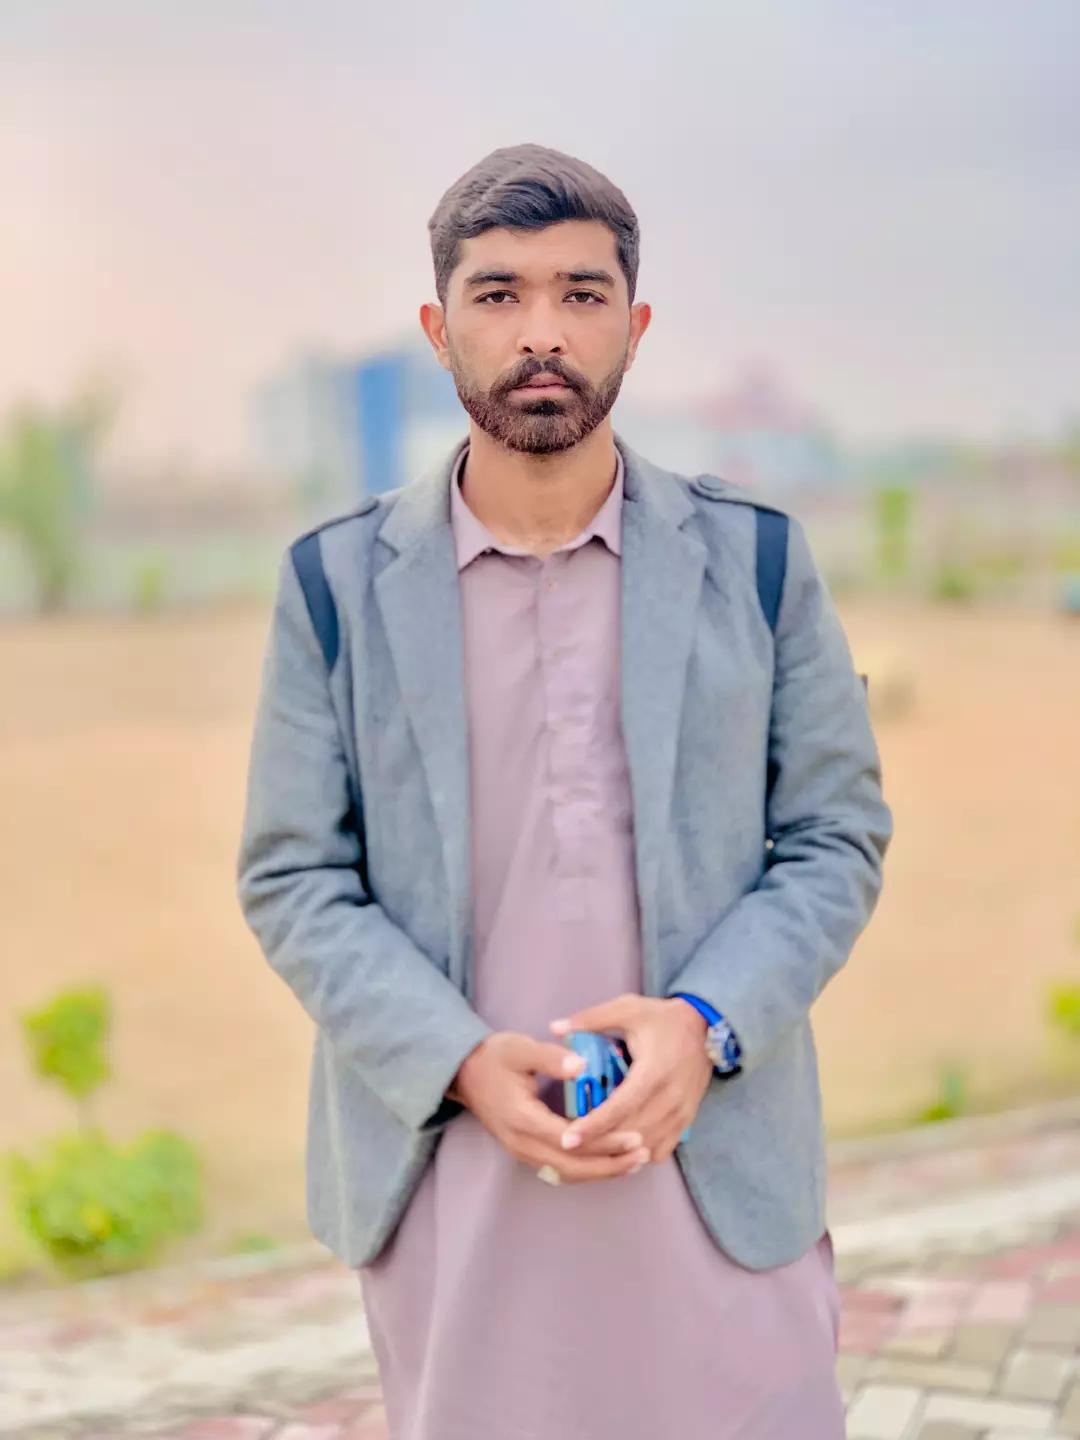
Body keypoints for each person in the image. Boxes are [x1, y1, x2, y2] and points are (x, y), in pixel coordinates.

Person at [236, 142, 894, 1440]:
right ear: (439, 330)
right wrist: (460, 1062)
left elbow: (835, 835)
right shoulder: (335, 586)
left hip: (713, 1155)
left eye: (582, 294)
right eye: (499, 294)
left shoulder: (758, 563)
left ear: (634, 328)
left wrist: (705, 1023)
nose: (542, 331)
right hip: (457, 1171)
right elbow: (293, 874)